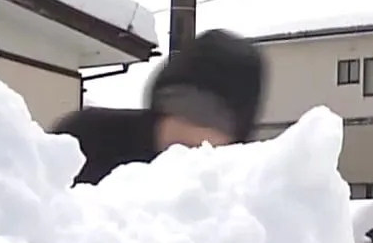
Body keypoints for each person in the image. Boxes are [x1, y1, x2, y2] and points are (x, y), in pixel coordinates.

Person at [53, 29, 266, 186]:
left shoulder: (243, 190)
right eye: (184, 109)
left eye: (217, 120)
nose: (195, 133)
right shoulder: (87, 141)